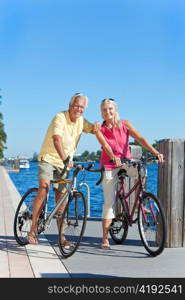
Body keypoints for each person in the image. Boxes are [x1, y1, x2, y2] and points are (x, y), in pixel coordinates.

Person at [95, 98, 164, 250]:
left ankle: (140, 202)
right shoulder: (99, 129)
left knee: (142, 170)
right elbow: (105, 146)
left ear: (116, 109)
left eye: (110, 109)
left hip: (126, 161)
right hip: (109, 165)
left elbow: (140, 138)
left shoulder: (125, 124)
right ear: (101, 112)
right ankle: (105, 238)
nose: (108, 112)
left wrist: (155, 152)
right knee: (109, 203)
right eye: (104, 110)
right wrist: (114, 157)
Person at [28, 93, 96, 245]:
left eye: (82, 107)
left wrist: (100, 126)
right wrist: (65, 158)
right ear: (70, 105)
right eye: (76, 105)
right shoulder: (60, 117)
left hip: (64, 165)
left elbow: (94, 129)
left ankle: (61, 237)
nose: (78, 109)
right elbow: (56, 138)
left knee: (62, 201)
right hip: (49, 159)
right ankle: (32, 229)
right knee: (44, 188)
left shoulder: (81, 122)